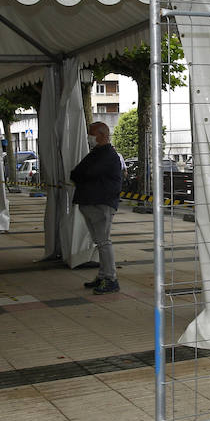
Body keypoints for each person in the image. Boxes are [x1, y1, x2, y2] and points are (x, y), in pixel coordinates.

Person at [70, 120, 123, 293]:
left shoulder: (108, 155)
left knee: (103, 242)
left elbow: (86, 173)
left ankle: (110, 278)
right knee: (100, 242)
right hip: (91, 202)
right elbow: (76, 173)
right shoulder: (96, 153)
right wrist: (82, 175)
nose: (89, 137)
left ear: (101, 135)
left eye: (91, 133)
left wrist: (83, 176)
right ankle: (103, 275)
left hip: (101, 204)